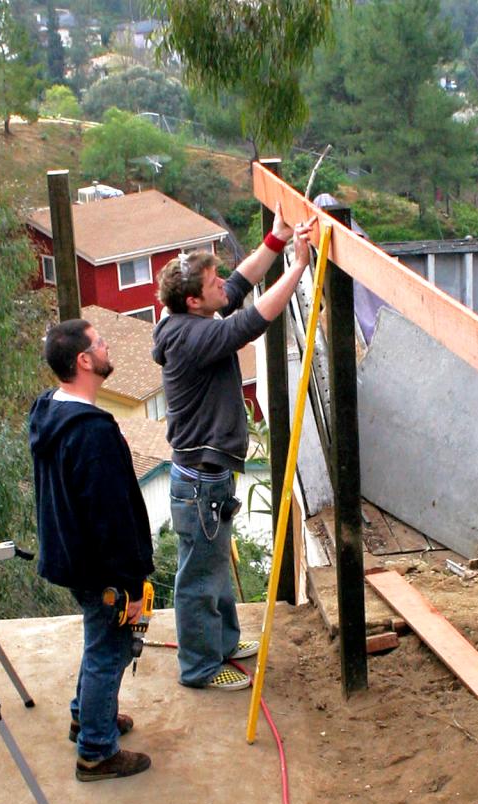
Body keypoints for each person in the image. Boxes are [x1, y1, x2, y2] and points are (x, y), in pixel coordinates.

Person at [152, 204, 316, 691]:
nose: (222, 286)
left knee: (215, 567)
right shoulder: (190, 338)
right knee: (199, 580)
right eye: (213, 284)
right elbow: (250, 322)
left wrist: (276, 239)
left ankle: (221, 643)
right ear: (193, 302)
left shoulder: (186, 316)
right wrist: (299, 266)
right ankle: (200, 667)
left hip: (207, 477)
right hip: (200, 480)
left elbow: (241, 287)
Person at [29, 318, 155, 780]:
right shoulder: (92, 433)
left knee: (98, 639)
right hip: (100, 567)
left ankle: (88, 716)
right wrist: (130, 581)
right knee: (110, 650)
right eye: (100, 344)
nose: (106, 347)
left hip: (71, 557)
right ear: (84, 361)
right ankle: (97, 752)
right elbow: (111, 518)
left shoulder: (51, 410)